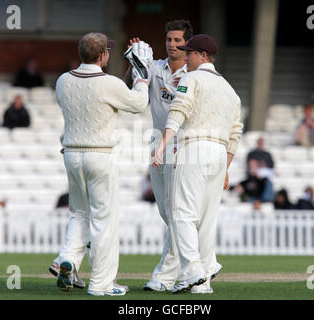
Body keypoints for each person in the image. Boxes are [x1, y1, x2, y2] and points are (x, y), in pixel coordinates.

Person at [51, 32, 150, 296]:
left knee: (79, 213)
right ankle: (101, 284)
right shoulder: (110, 83)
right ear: (104, 55)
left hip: (71, 155)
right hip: (100, 155)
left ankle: (66, 259)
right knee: (103, 221)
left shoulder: (63, 81)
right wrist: (141, 76)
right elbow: (140, 104)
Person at [152, 34, 243, 294]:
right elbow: (235, 134)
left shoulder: (191, 79)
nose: (184, 57)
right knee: (207, 219)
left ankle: (193, 270)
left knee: (181, 213)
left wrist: (161, 145)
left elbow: (178, 110)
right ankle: (203, 284)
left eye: (189, 53)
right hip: (218, 154)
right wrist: (225, 167)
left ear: (202, 55)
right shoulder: (229, 89)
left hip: (194, 148)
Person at [125, 20, 193, 293]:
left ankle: (165, 276)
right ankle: (196, 267)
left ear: (188, 43)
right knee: (167, 213)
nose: (172, 45)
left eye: (178, 40)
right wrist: (135, 59)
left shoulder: (194, 74)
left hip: (186, 147)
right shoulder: (155, 68)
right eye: (169, 40)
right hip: (157, 145)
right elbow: (133, 90)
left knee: (176, 214)